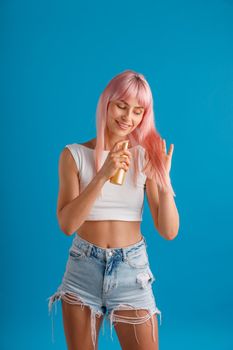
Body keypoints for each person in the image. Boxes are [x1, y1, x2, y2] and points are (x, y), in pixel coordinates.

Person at [47, 70, 179, 350]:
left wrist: (165, 185)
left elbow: (168, 231)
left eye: (137, 111)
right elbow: (67, 224)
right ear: (106, 103)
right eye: (121, 105)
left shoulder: (145, 156)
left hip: (131, 270)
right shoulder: (73, 155)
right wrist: (102, 174)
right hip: (83, 268)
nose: (127, 117)